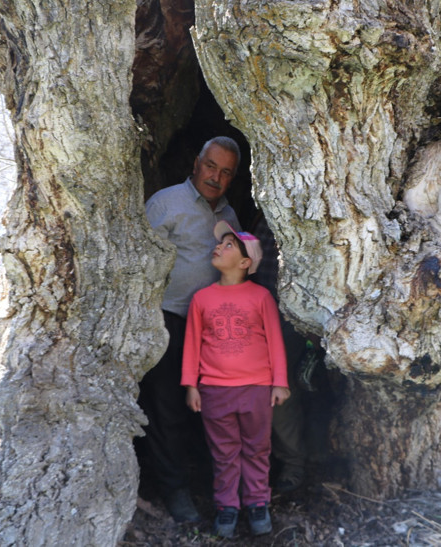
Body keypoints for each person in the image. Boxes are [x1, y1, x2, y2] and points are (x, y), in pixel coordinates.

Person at [139, 136, 242, 523]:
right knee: (167, 406)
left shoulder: (230, 217)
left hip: (214, 329)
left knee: (211, 408)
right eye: (211, 166)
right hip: (169, 320)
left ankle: (212, 484)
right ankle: (175, 489)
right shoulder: (166, 204)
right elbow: (139, 262)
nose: (216, 177)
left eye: (226, 172)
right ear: (196, 162)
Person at [182, 221, 290, 538]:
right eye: (220, 243)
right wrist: (191, 384)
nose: (219, 247)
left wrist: (279, 381)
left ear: (245, 263)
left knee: (257, 449)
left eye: (229, 245)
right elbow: (192, 343)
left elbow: (275, 341)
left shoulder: (261, 297)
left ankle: (258, 503)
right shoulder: (201, 299)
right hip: (214, 390)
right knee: (224, 452)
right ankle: (227, 507)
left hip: (256, 388)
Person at [249, 213, 309, 492]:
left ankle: (293, 463)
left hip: (290, 317)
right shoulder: (265, 219)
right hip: (256, 313)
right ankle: (256, 466)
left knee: (280, 387)